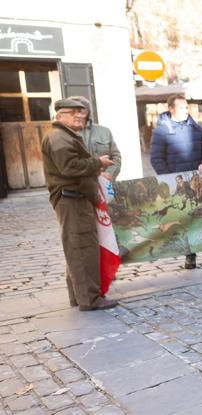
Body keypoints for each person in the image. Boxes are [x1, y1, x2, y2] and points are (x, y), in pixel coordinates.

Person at [41, 98, 118, 311]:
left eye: (82, 112)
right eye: (73, 112)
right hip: (72, 199)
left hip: (75, 197)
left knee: (77, 248)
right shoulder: (58, 137)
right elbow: (69, 167)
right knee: (83, 248)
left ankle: (79, 296)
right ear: (59, 115)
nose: (80, 115)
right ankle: (90, 300)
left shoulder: (64, 135)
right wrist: (98, 163)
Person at [150, 94, 202, 269]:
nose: (186, 111)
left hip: (198, 181)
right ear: (171, 109)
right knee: (186, 219)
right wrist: (172, 179)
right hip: (179, 184)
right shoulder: (161, 131)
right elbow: (156, 159)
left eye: (187, 107)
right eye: (182, 108)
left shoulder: (194, 127)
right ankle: (190, 257)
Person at [68, 96, 122, 182]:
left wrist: (109, 173)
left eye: (80, 111)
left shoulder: (104, 131)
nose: (76, 115)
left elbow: (116, 156)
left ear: (87, 112)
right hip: (76, 186)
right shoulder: (63, 134)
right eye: (72, 112)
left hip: (103, 184)